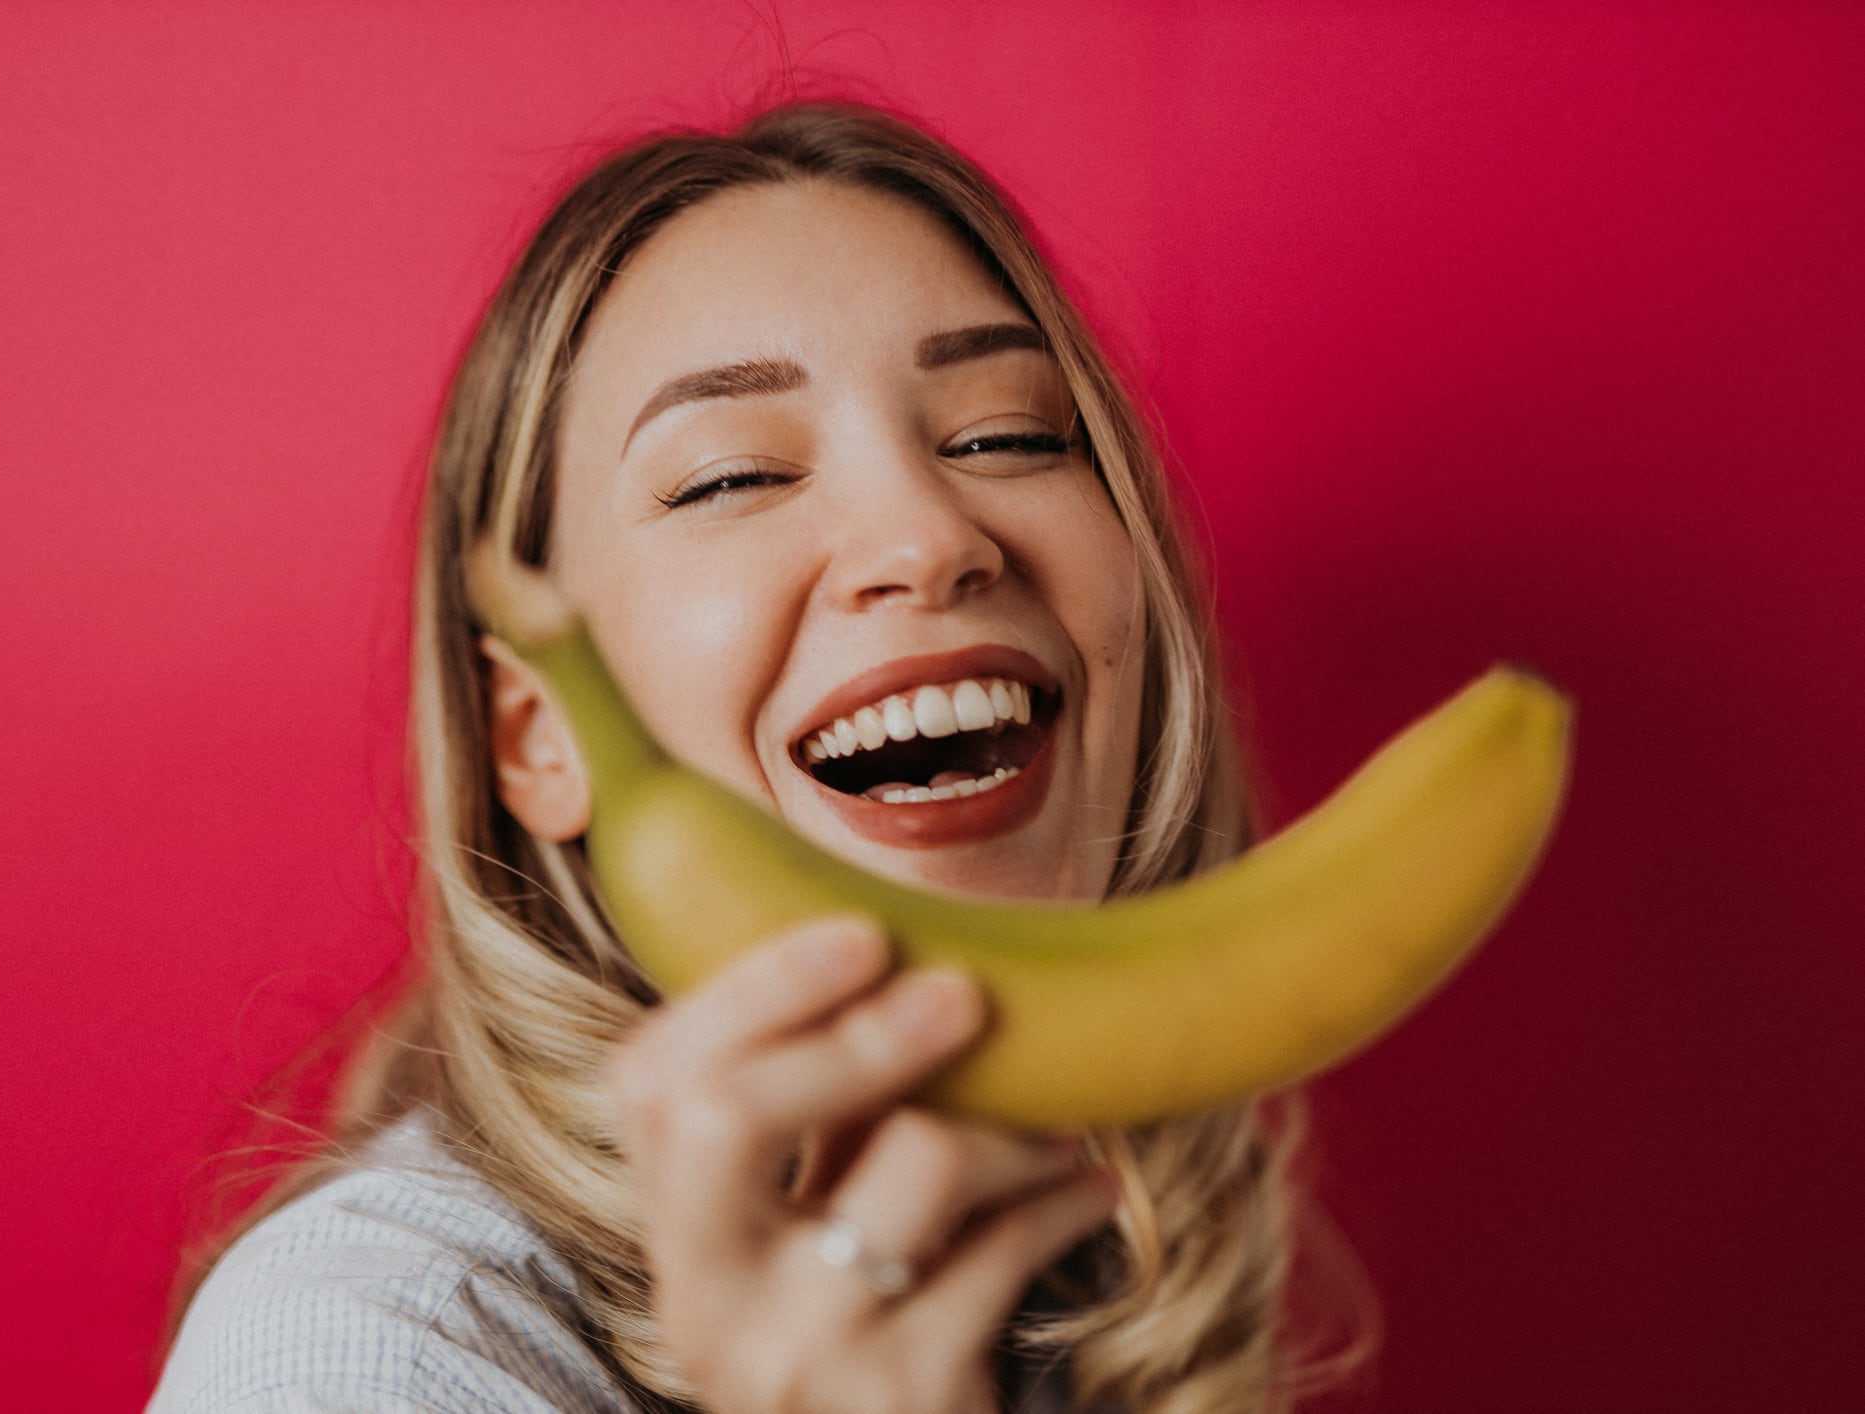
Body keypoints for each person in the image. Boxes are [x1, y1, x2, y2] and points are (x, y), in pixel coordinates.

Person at [151, 100, 1349, 1414]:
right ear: (540, 733)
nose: (927, 534)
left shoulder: (1083, 1270)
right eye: (729, 476)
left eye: (1005, 435)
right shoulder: (367, 1353)